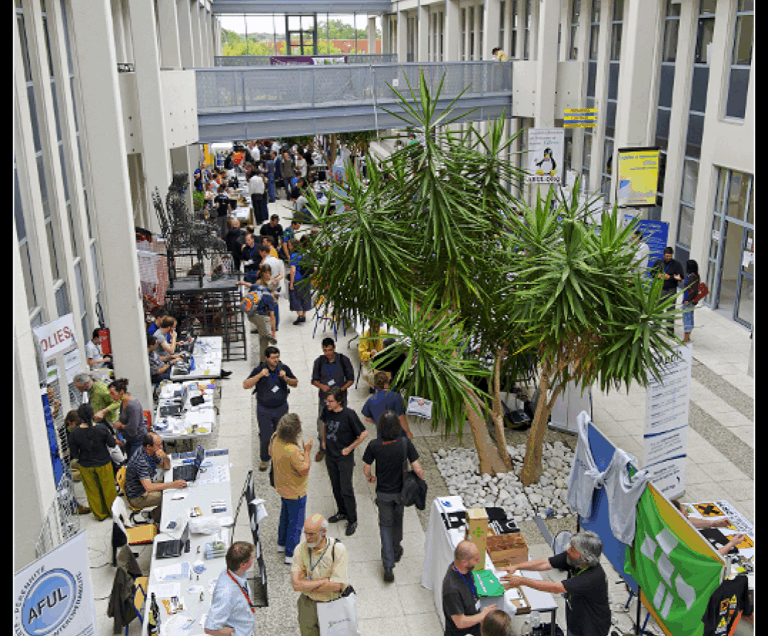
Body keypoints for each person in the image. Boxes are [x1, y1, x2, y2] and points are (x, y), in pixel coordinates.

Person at [500, 530, 611, 636]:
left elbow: (556, 588)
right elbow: (546, 563)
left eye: (573, 549)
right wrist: (517, 566)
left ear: (585, 558)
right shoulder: (574, 559)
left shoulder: (592, 577)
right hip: (576, 618)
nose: (568, 550)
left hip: (591, 628)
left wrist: (522, 581)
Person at [362, 410, 424, 582]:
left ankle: (388, 565)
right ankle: (396, 550)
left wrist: (370, 477)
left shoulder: (374, 445)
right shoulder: (404, 443)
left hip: (383, 494)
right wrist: (421, 481)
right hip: (401, 493)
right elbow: (417, 468)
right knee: (398, 521)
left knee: (385, 526)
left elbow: (366, 468)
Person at [291, 513, 349, 636]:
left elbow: (336, 586)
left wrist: (305, 584)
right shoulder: (300, 549)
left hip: (331, 604)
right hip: (308, 605)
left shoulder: (337, 549)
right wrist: (324, 581)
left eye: (311, 534)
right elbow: (296, 585)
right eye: (305, 533)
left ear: (324, 532)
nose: (307, 538)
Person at [320, 387, 368, 536]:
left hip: (344, 458)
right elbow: (323, 423)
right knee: (335, 486)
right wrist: (323, 440)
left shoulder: (349, 415)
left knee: (346, 489)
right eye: (326, 400)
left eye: (330, 401)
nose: (327, 403)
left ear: (339, 401)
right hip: (330, 455)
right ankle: (342, 512)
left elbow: (364, 434)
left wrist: (349, 448)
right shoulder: (327, 410)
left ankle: (352, 519)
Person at [243, 346, 299, 472]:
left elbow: (295, 383)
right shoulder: (259, 369)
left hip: (281, 408)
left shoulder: (283, 368)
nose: (276, 360)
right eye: (273, 358)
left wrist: (286, 378)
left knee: (283, 434)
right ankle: (265, 459)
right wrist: (259, 376)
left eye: (277, 357)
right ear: (266, 358)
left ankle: (282, 458)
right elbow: (246, 385)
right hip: (264, 410)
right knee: (266, 436)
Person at [269, 413, 312, 564]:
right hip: (296, 491)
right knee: (296, 522)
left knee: (285, 516)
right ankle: (290, 553)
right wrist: (307, 451)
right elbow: (304, 469)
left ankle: (281, 543)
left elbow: (269, 453)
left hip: (281, 486)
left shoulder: (275, 438)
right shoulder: (293, 451)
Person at [68, 403, 118, 521]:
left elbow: (74, 454)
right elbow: (112, 444)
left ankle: (100, 514)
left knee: (92, 491)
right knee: (108, 489)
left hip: (85, 465)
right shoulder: (102, 428)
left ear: (79, 417)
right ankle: (113, 512)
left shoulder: (74, 433)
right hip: (104, 463)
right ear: (92, 415)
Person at [124, 432, 187, 523]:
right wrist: (173, 484)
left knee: (173, 485)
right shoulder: (141, 461)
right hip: (138, 496)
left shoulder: (150, 452)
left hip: (147, 484)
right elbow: (149, 488)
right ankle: (154, 517)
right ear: (149, 446)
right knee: (169, 496)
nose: (161, 447)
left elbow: (166, 466)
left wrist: (165, 457)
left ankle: (156, 514)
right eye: (158, 445)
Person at [311, 338, 355, 462]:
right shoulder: (319, 362)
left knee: (342, 424)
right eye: (325, 350)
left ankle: (342, 448)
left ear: (334, 348)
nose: (328, 353)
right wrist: (321, 386)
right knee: (321, 424)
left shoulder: (343, 360)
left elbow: (351, 379)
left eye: (330, 350)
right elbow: (314, 380)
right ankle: (322, 449)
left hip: (340, 400)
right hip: (324, 400)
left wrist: (341, 390)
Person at [442, 540, 498, 636]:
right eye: (475, 559)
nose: (479, 561)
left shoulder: (463, 569)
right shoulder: (452, 590)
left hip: (474, 626)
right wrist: (483, 615)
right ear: (464, 562)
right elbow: (460, 622)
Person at [204, 542, 257, 636]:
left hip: (244, 623)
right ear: (243, 564)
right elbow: (210, 629)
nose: (253, 559)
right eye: (252, 558)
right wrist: (233, 633)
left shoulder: (233, 571)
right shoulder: (226, 594)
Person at [236, 272, 277, 363]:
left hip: (250, 314)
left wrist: (240, 282)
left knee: (263, 337)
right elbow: (272, 316)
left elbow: (248, 284)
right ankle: (263, 360)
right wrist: (273, 330)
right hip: (259, 317)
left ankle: (263, 356)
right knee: (264, 339)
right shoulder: (269, 297)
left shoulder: (258, 287)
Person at [362, 370, 412, 440]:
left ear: (375, 383)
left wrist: (378, 422)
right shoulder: (396, 397)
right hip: (397, 435)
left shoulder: (371, 400)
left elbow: (367, 419)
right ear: (388, 380)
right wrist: (408, 432)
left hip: (382, 435)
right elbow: (401, 418)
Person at [108, 378, 146, 460]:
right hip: (129, 439)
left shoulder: (132, 405)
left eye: (112, 393)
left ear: (121, 392)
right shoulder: (123, 403)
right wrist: (119, 436)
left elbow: (132, 429)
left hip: (137, 440)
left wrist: (120, 425)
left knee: (134, 464)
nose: (111, 396)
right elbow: (122, 421)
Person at [651, 247, 684, 336]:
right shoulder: (658, 262)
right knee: (658, 309)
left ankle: (670, 330)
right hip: (660, 289)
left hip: (671, 289)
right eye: (667, 256)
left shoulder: (677, 264)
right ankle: (656, 327)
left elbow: (680, 277)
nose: (668, 257)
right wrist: (658, 275)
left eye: (670, 256)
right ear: (664, 255)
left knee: (671, 310)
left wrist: (670, 277)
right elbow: (652, 274)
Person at [288, 237, 313, 325]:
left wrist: (291, 283)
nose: (289, 247)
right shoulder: (305, 253)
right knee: (305, 297)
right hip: (306, 278)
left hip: (297, 279)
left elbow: (293, 270)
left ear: (293, 246)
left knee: (295, 297)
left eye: (289, 246)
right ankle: (304, 315)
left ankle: (300, 316)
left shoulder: (293, 255)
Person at [358, 321, 387, 389]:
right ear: (370, 326)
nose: (376, 329)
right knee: (367, 375)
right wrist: (370, 354)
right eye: (374, 327)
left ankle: (381, 386)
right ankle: (374, 387)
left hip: (381, 358)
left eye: (378, 327)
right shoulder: (364, 336)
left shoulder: (383, 332)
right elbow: (361, 354)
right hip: (368, 360)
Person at [682, 259, 700, 343]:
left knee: (687, 318)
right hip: (689, 301)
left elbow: (695, 290)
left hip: (688, 302)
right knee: (689, 317)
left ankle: (686, 338)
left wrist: (688, 300)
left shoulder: (692, 277)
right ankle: (687, 337)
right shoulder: (693, 276)